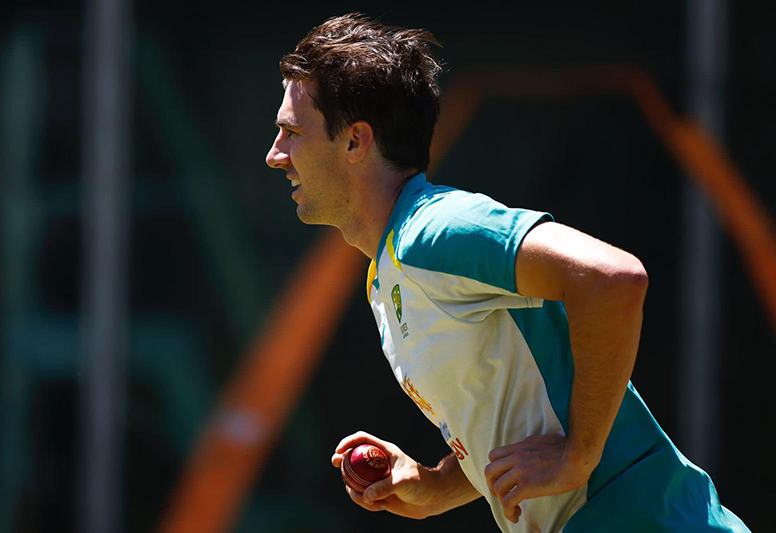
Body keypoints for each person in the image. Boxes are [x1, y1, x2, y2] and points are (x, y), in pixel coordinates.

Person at [265, 13, 749, 533]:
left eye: (291, 132)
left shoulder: (434, 229)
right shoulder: (387, 276)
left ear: (355, 142)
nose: (275, 155)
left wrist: (578, 456)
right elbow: (520, 423)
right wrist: (437, 485)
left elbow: (612, 279)